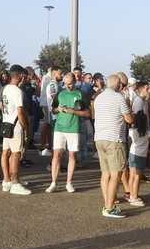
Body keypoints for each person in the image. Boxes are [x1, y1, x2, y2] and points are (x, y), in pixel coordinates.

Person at [93, 73, 136, 217]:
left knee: (105, 174)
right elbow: (129, 119)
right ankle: (109, 207)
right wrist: (133, 113)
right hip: (114, 139)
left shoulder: (99, 98)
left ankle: (107, 203)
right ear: (118, 85)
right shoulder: (119, 98)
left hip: (99, 138)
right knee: (116, 174)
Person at [48, 76, 86, 193]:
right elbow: (53, 109)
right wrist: (57, 109)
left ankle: (69, 182)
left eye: (69, 84)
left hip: (74, 128)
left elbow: (87, 112)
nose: (67, 86)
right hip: (59, 127)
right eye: (65, 83)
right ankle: (53, 182)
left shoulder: (81, 94)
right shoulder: (60, 93)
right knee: (57, 154)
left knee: (72, 155)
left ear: (74, 82)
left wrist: (73, 111)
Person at [1, 65, 32, 195]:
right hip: (15, 125)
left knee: (5, 152)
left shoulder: (5, 89)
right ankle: (15, 183)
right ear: (20, 75)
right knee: (16, 153)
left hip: (6, 123)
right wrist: (25, 127)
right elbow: (20, 111)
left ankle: (7, 180)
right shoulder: (18, 91)